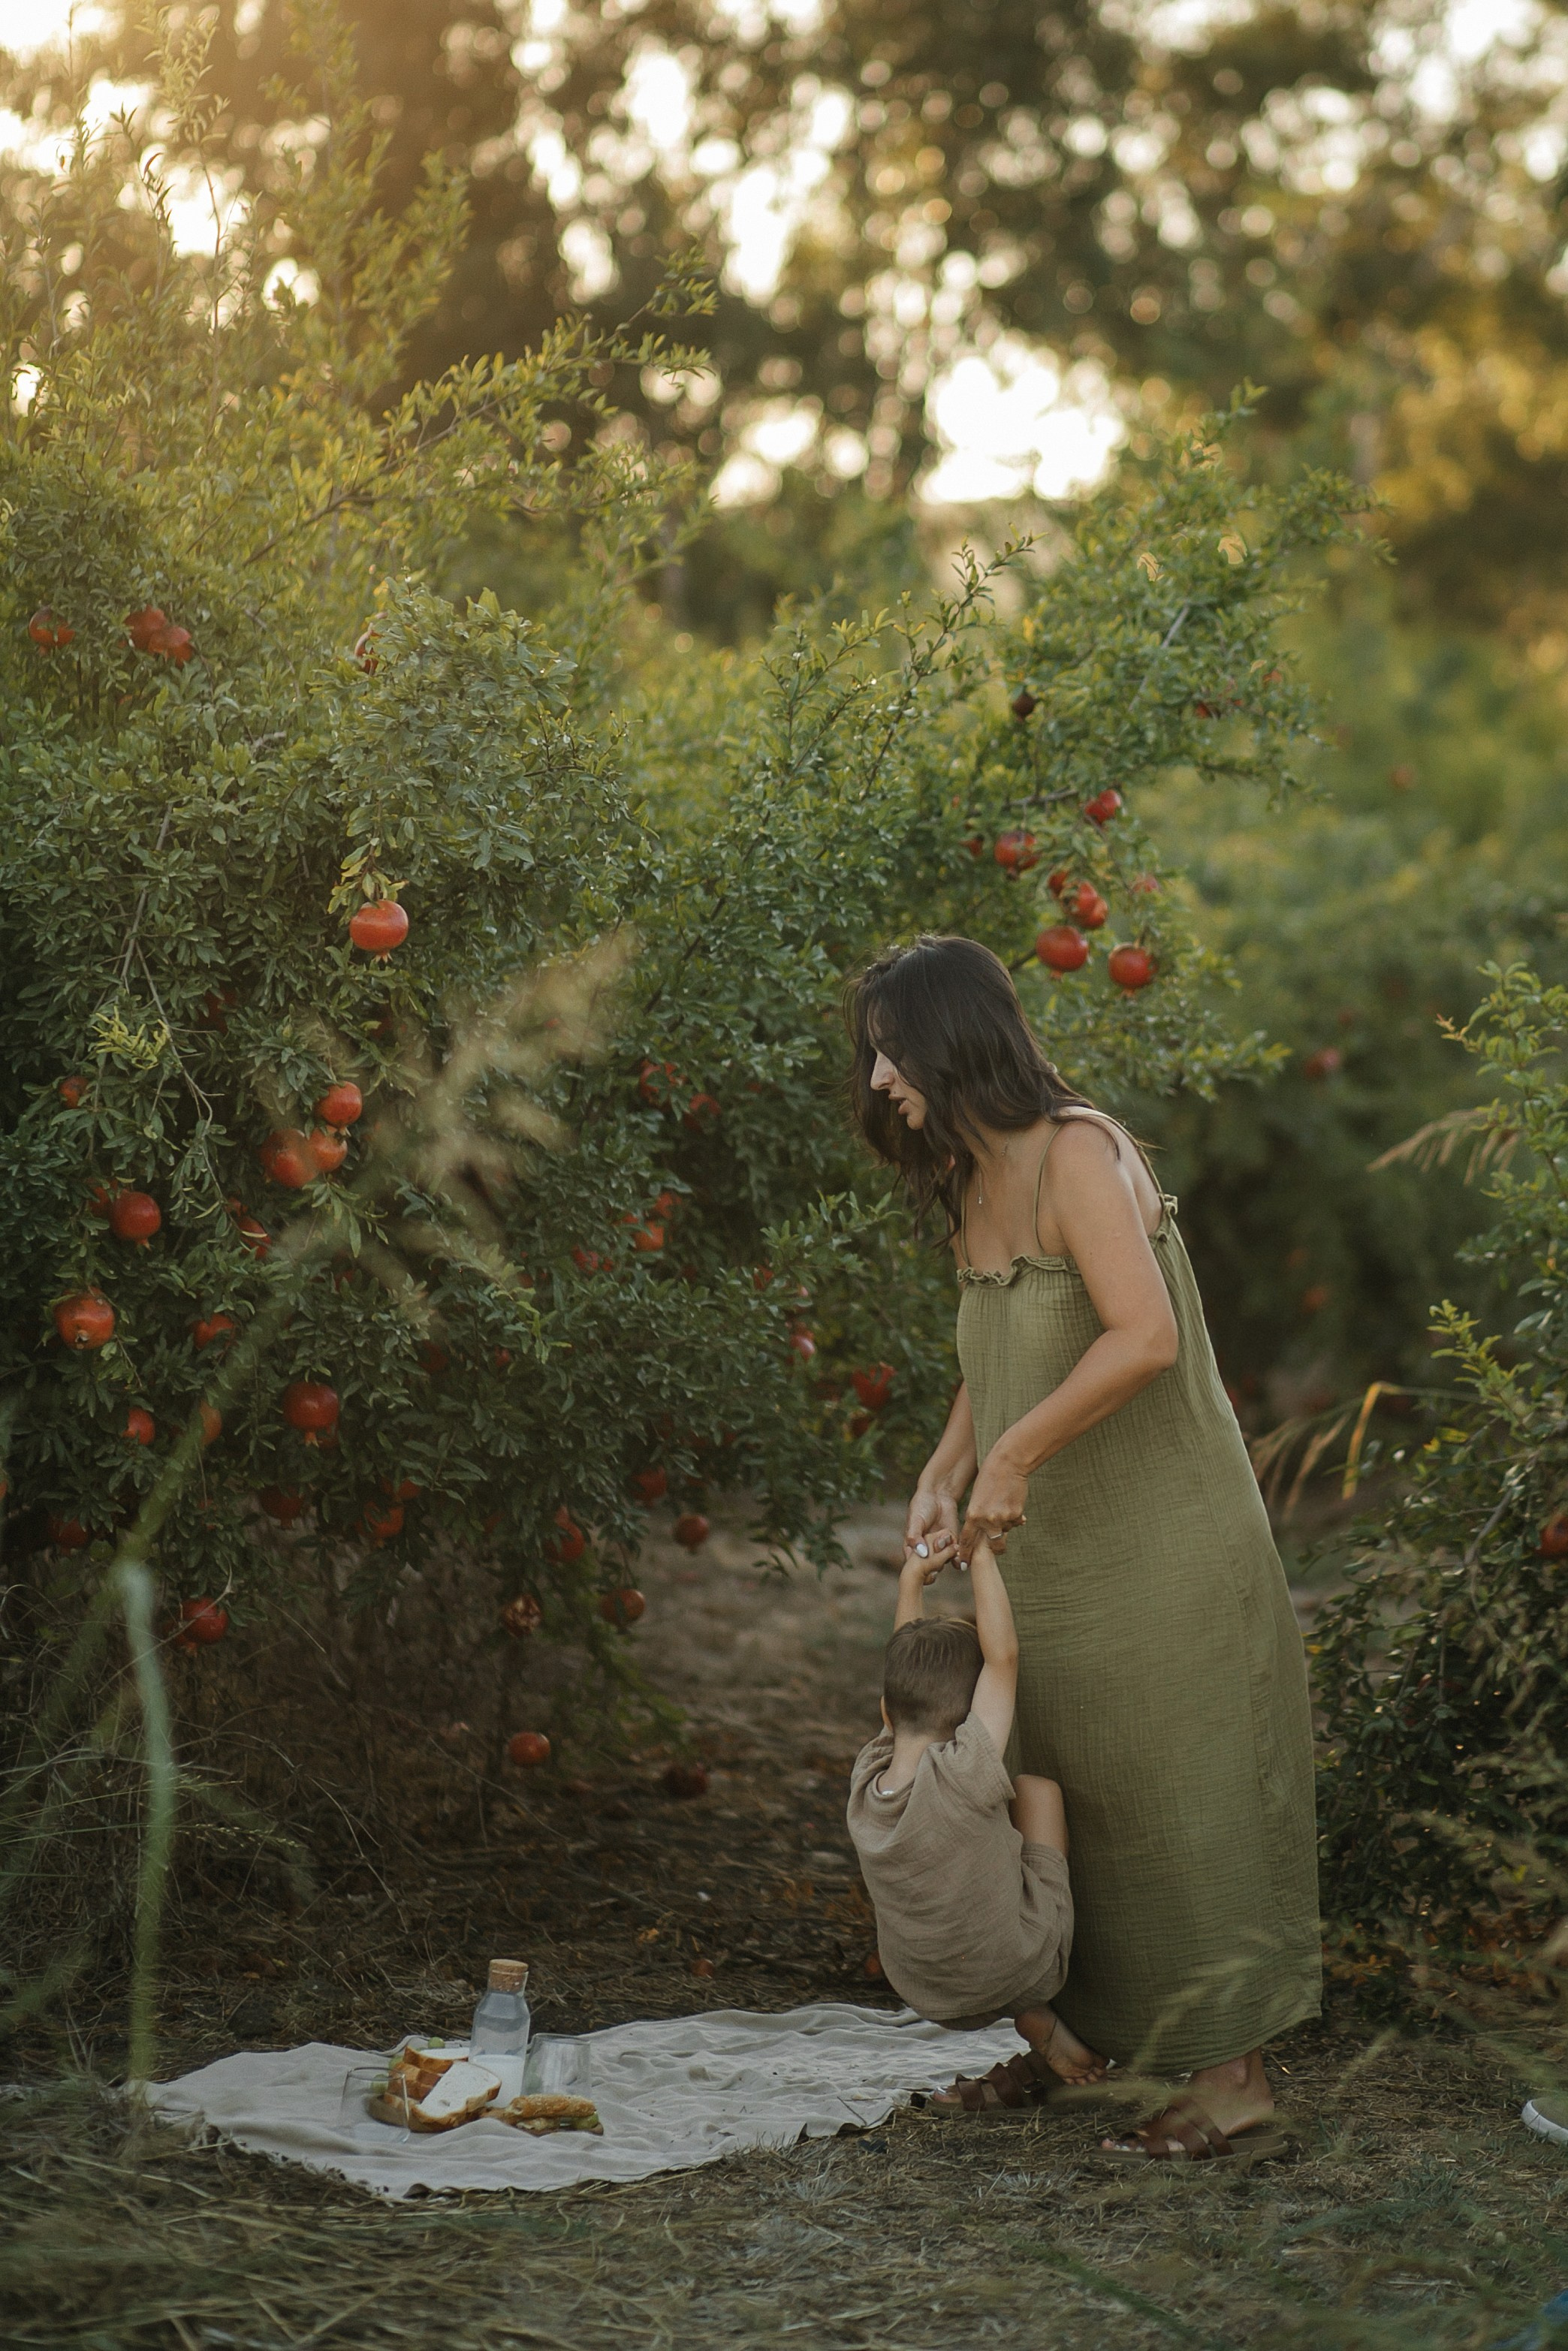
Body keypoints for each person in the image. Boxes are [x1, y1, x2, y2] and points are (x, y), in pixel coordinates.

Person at [846, 934, 1317, 2165]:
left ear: (950, 1041)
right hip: (1044, 1542)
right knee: (1065, 1784)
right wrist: (950, 1462)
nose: (879, 1079)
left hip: (1158, 1534)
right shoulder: (964, 1177)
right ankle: (1083, 2046)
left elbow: (1140, 1335)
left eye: (890, 1051)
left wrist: (1008, 1461)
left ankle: (1232, 2080)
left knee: (1177, 1790)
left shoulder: (1075, 1153)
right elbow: (990, 1344)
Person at [846, 1533, 1104, 2114]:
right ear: (968, 1718)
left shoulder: (868, 1777)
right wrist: (981, 1553)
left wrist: (912, 1579)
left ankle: (1033, 2019)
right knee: (1036, 1792)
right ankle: (1034, 2000)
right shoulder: (965, 1768)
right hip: (1022, 1962)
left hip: (926, 1991)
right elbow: (1004, 1657)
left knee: (968, 1865)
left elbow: (902, 1675)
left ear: (888, 1712)